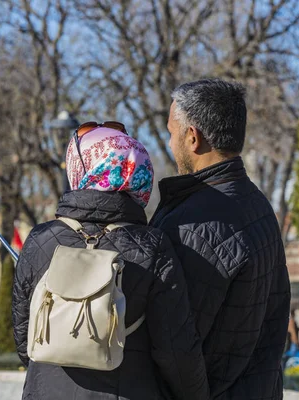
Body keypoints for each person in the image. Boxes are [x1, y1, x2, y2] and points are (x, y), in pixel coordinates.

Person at [12, 124, 208, 400]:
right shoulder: (153, 246)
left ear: (79, 166)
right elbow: (175, 349)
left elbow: (24, 338)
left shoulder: (40, 240)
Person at [149, 79, 290, 399]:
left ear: (192, 137)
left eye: (172, 133)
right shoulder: (257, 204)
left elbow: (174, 347)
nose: (171, 144)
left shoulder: (196, 223)